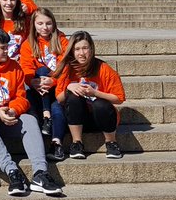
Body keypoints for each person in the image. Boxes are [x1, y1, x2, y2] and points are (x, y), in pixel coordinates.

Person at [0, 26, 63, 197]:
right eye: (2, 47)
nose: (7, 51)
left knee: (28, 119)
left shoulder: (14, 67)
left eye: (7, 46)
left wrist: (13, 110)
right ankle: (13, 172)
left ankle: (40, 173)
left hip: (9, 118)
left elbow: (21, 97)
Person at [53, 30, 127, 161]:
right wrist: (69, 87)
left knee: (100, 104)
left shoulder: (103, 68)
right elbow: (59, 98)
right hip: (78, 118)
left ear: (91, 49)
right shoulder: (67, 68)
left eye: (85, 48)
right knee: (74, 97)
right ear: (72, 51)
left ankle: (111, 142)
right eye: (77, 49)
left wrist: (95, 93)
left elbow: (119, 98)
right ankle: (77, 143)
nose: (81, 53)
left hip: (101, 117)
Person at [19, 8, 69, 158]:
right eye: (40, 23)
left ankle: (56, 143)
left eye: (48, 23)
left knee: (56, 107)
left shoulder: (62, 41)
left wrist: (53, 80)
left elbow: (65, 66)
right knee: (40, 72)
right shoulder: (28, 44)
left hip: (58, 86)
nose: (44, 27)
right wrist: (32, 81)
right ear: (33, 24)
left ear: (53, 24)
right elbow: (26, 68)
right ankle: (46, 118)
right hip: (38, 90)